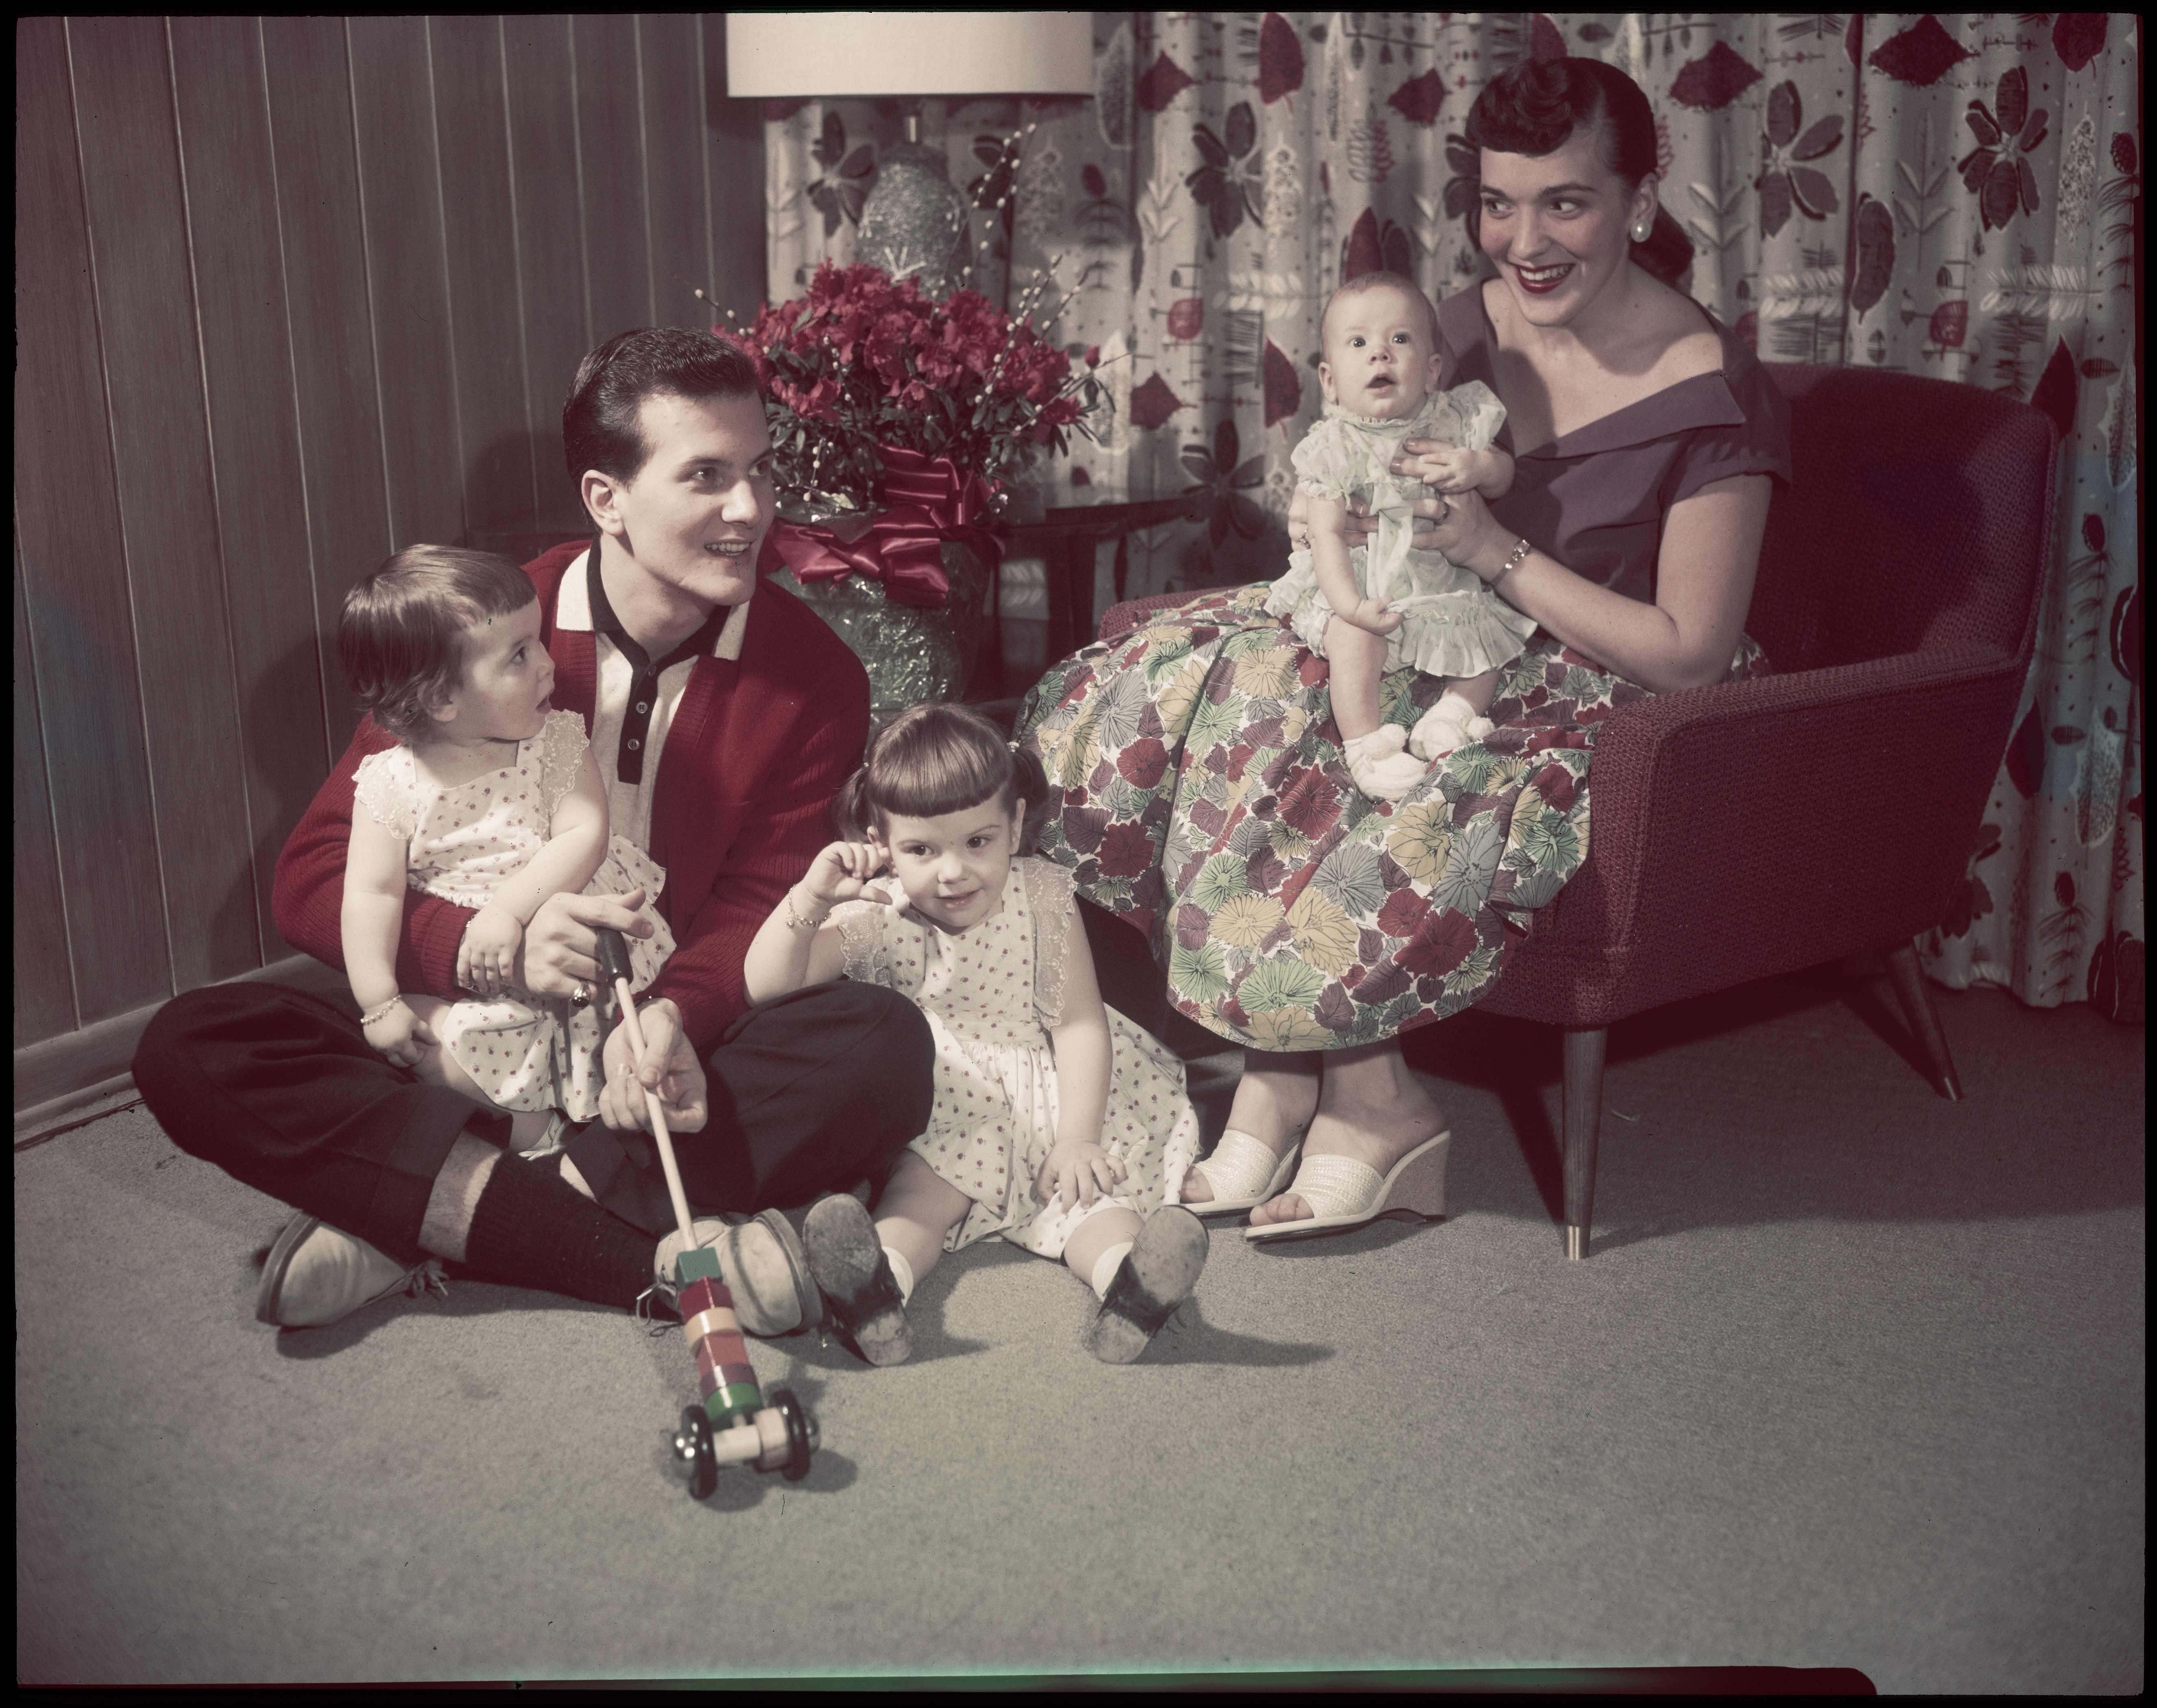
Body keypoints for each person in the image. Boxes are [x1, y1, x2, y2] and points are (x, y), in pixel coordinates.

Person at [1020, 56, 1791, 1242]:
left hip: (1604, 686)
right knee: (1223, 687)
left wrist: (1491, 553)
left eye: (1566, 203)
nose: (1523, 243)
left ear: (1641, 202)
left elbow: (1689, 653)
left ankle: (1371, 1107)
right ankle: (1288, 1065)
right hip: (1422, 621)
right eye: (1497, 204)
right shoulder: (1458, 331)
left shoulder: (1716, 391)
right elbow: (1360, 457)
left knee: (1397, 764)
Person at [133, 327, 936, 1332]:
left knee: (885, 1048)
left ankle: (419, 1210)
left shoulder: (818, 676)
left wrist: (669, 1019)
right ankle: (632, 1252)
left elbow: (761, 904)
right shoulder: (483, 626)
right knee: (191, 1045)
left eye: (761, 470)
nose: (751, 510)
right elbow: (317, 877)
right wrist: (486, 951)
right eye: (707, 476)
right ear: (607, 499)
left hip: (655, 1035)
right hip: (463, 1037)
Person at [745, 704, 1208, 1366]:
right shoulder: (878, 913)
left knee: (1091, 1200)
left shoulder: (1043, 895)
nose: (953, 872)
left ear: (1016, 824)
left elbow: (1079, 1024)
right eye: (921, 851)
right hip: (950, 1099)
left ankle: (1131, 1289)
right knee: (921, 1197)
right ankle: (877, 1292)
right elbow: (768, 987)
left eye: (977, 842)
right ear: (881, 842)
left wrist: (1077, 1138)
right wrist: (811, 900)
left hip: (1052, 1086)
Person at [338, 545, 673, 1152]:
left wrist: (506, 911)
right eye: (519, 656)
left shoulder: (554, 741)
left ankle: (589, 1121)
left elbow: (585, 835)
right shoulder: (389, 783)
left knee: (600, 1020)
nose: (548, 664)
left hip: (575, 956)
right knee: (416, 1044)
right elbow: (370, 892)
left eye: (538, 641)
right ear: (442, 700)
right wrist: (377, 1000)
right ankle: (530, 1134)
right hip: (481, 985)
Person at [1263, 272, 1537, 802]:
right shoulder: (1334, 445)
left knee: (1485, 640)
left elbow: (1507, 474)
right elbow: (1325, 536)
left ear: (1432, 371)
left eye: (1400, 340)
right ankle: (1367, 748)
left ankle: (1450, 718)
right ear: (1330, 380)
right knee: (1354, 639)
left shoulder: (1452, 421)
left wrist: (1477, 465)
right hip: (1360, 581)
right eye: (1359, 343)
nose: (1380, 356)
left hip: (1436, 577)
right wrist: (1352, 606)